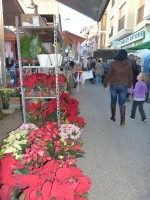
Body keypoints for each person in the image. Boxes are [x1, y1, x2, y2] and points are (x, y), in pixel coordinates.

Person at [103, 49, 133, 125]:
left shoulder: (112, 63)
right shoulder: (129, 64)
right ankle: (122, 120)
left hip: (114, 84)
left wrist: (105, 84)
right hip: (124, 85)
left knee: (113, 100)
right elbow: (130, 76)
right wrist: (130, 85)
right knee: (122, 102)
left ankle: (113, 117)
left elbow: (108, 75)